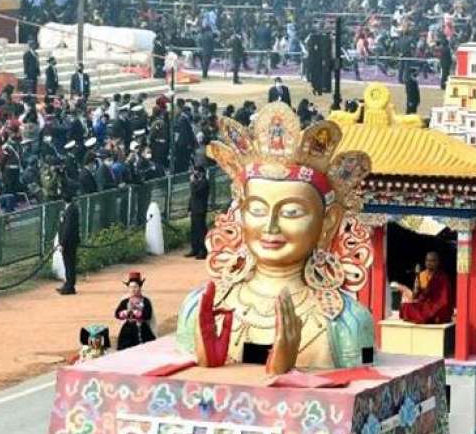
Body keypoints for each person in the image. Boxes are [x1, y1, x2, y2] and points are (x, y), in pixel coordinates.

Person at [173, 103, 375, 372]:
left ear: (328, 221)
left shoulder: (348, 322)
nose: (270, 226)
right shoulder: (200, 309)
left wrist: (289, 376)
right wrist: (205, 364)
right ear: (240, 211)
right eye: (256, 209)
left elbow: (366, 383)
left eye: (291, 212)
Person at [396, 251, 453, 324]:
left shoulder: (442, 277)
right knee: (405, 306)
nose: (429, 263)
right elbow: (415, 296)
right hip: (425, 305)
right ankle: (427, 317)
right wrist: (416, 288)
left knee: (436, 311)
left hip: (436, 306)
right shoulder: (421, 275)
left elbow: (444, 300)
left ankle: (428, 317)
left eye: (432, 261)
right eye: (427, 260)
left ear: (438, 262)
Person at [115, 271, 156, 350]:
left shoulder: (145, 301)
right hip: (127, 330)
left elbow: (148, 315)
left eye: (135, 287)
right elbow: (117, 313)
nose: (133, 290)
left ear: (140, 287)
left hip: (142, 329)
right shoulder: (125, 301)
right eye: (130, 287)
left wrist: (139, 314)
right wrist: (124, 313)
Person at [187, 155, 209, 259]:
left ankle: (203, 250)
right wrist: (189, 208)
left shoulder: (204, 183)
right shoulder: (197, 183)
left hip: (200, 210)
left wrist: (192, 183)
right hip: (194, 209)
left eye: (197, 172)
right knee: (194, 231)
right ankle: (194, 249)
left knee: (201, 231)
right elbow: (191, 197)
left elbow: (196, 192)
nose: (195, 174)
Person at [57, 189, 79, 295]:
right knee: (68, 263)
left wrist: (62, 242)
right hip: (70, 241)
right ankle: (68, 283)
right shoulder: (70, 208)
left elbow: (67, 228)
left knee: (69, 263)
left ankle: (70, 285)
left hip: (69, 242)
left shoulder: (70, 210)